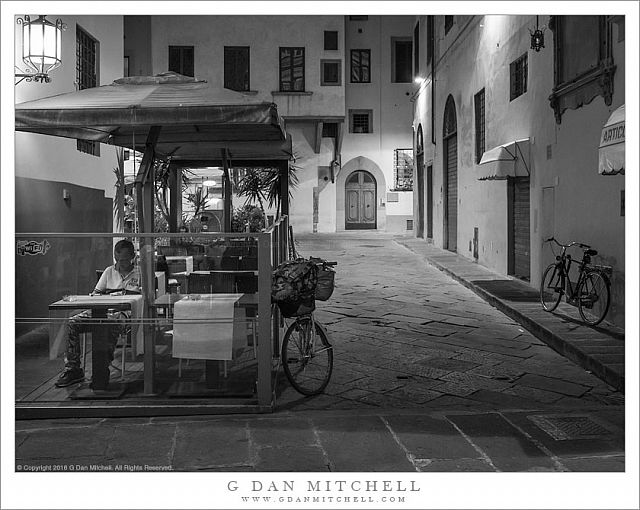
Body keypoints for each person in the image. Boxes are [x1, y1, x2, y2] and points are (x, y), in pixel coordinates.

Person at [55, 239, 142, 387]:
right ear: (115, 257)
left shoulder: (140, 273)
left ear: (133, 256)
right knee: (72, 323)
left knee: (108, 324)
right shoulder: (109, 271)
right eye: (118, 259)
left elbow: (144, 298)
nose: (121, 263)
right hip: (102, 310)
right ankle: (73, 369)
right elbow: (96, 293)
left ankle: (101, 370)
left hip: (124, 313)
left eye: (125, 260)